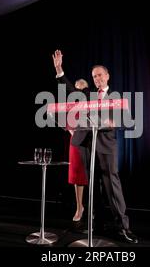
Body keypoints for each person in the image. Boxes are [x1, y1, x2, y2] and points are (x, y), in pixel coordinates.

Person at [52, 49, 138, 243]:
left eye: (100, 75)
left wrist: (111, 122)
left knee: (112, 188)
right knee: (93, 188)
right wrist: (60, 71)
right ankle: (96, 226)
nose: (97, 78)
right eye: (94, 76)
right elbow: (71, 92)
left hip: (106, 148)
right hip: (88, 147)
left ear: (107, 76)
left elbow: (129, 120)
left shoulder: (116, 96)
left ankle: (123, 228)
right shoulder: (88, 94)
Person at [69, 79, 89, 222]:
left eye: (83, 89)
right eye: (77, 89)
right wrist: (76, 134)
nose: (79, 91)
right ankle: (79, 207)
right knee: (78, 175)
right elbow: (68, 125)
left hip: (92, 141)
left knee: (93, 175)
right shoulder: (71, 105)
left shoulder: (91, 103)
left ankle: (93, 207)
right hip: (76, 142)